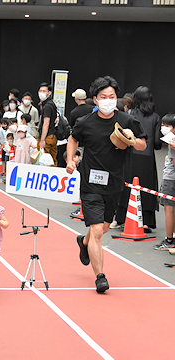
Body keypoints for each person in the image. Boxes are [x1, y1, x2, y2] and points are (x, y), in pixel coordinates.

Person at [66, 75, 147, 293]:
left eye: (112, 96)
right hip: (90, 184)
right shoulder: (85, 122)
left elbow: (142, 145)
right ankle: (100, 276)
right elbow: (73, 139)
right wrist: (70, 161)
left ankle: (84, 242)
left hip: (115, 184)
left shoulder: (127, 120)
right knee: (97, 230)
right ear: (96, 99)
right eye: (104, 96)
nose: (109, 100)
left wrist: (131, 138)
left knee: (101, 228)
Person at [111, 86, 162, 232]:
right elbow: (157, 144)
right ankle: (146, 221)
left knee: (126, 186)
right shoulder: (156, 117)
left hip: (130, 155)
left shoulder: (129, 113)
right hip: (147, 158)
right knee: (147, 188)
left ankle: (120, 219)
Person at [154, 114, 175, 250]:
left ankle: (169, 240)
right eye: (162, 125)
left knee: (169, 210)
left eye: (167, 126)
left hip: (171, 179)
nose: (163, 128)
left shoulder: (173, 141)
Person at [37, 82, 58, 166]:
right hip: (53, 136)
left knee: (44, 161)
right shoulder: (52, 104)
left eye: (44, 91)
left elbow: (46, 123)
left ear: (49, 93)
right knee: (52, 161)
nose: (41, 93)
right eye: (40, 91)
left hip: (47, 137)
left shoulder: (47, 106)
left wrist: (42, 140)